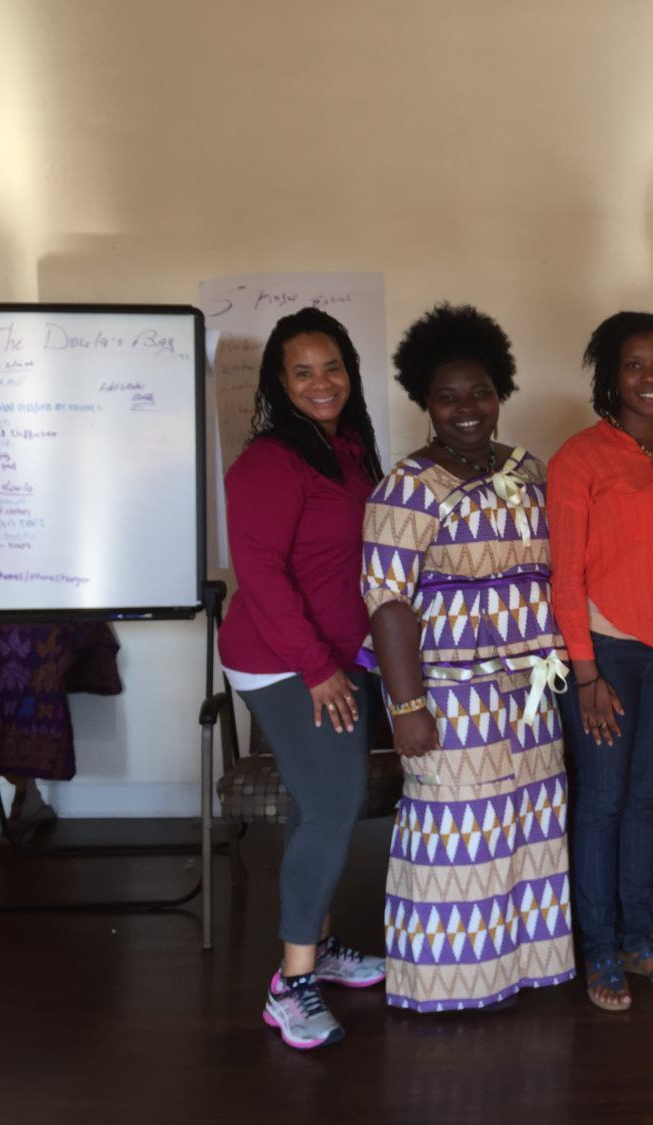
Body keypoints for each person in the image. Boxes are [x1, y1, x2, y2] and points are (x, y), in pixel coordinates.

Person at [361, 303, 575, 1013]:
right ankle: (450, 982)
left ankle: (520, 968)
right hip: (452, 697)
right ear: (425, 400)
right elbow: (388, 603)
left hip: (531, 695)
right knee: (456, 837)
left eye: (479, 391)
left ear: (500, 391)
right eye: (448, 395)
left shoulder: (529, 470)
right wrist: (408, 707)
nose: (466, 408)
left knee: (525, 831)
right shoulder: (407, 487)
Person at [218, 307, 387, 1050]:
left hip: (334, 653)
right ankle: (290, 984)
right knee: (333, 800)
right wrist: (319, 670)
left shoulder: (346, 447)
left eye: (333, 368)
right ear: (280, 383)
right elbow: (261, 575)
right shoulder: (267, 461)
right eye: (303, 371)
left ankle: (318, 945)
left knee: (317, 801)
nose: (322, 383)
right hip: (284, 659)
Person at [547, 311, 653, 1012]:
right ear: (610, 375)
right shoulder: (579, 459)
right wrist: (585, 675)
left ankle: (640, 939)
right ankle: (601, 949)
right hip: (606, 655)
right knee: (604, 799)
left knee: (645, 799)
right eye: (635, 364)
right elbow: (564, 577)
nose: (651, 377)